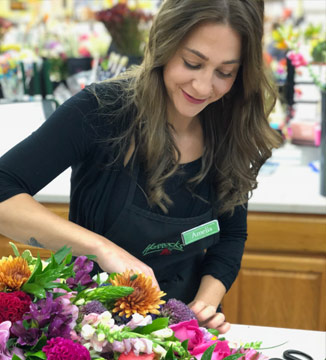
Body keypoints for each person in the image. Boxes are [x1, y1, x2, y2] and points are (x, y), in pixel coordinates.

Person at [0, 0, 282, 333]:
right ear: (163, 45)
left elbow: (230, 235)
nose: (204, 87)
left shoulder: (229, 125)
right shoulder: (100, 112)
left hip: (184, 336)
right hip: (96, 333)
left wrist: (202, 308)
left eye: (225, 72)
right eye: (193, 63)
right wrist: (102, 250)